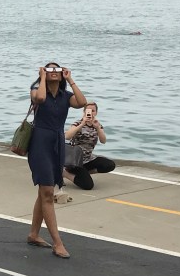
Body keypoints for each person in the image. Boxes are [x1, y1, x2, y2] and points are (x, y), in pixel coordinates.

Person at [26, 62, 86, 259]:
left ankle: (34, 234)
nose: (53, 73)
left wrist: (70, 79)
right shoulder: (36, 90)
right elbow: (41, 98)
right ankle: (57, 243)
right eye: (49, 69)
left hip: (58, 142)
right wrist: (42, 77)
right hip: (40, 143)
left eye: (56, 70)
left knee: (45, 190)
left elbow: (82, 102)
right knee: (47, 192)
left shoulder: (65, 96)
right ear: (43, 72)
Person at [63, 102, 116, 190]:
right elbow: (67, 136)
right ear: (84, 112)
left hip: (88, 159)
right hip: (75, 161)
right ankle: (65, 173)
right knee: (88, 185)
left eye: (93, 111)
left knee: (109, 165)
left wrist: (98, 128)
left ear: (96, 113)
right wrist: (82, 124)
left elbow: (103, 141)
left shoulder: (97, 125)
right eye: (88, 111)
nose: (91, 113)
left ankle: (84, 173)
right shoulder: (78, 123)